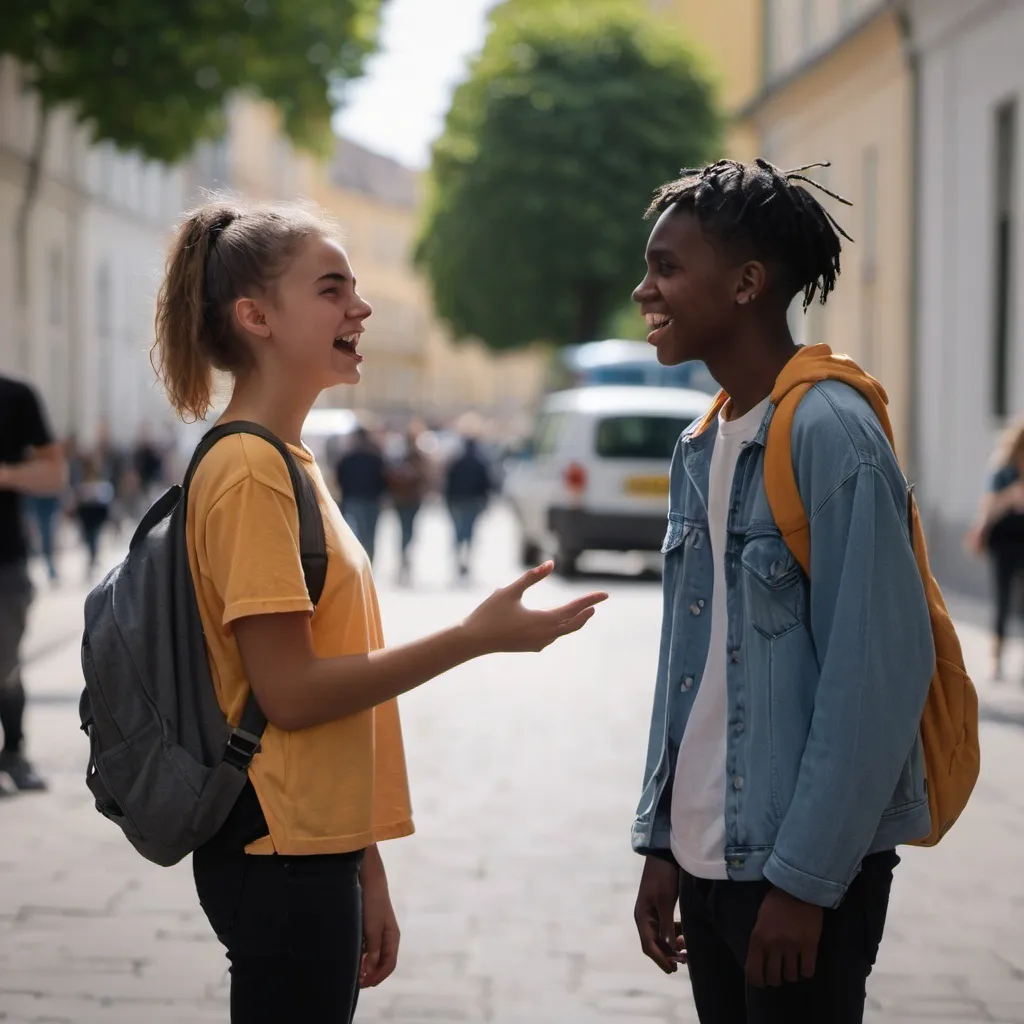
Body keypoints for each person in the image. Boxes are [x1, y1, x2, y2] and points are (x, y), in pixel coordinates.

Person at [150, 199, 607, 1023]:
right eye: (331, 289)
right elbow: (288, 693)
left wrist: (365, 864)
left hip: (307, 845)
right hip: (277, 850)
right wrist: (472, 639)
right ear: (255, 317)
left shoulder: (286, 456)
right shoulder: (252, 469)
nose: (359, 307)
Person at [629, 159, 934, 1024]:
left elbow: (875, 683)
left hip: (797, 875)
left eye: (667, 267)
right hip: (705, 860)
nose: (643, 288)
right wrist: (662, 843)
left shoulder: (832, 434)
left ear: (747, 285)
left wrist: (805, 882)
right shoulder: (702, 440)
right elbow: (687, 674)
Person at [0, 375, 66, 795]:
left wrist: (4, 474)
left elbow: (54, 473)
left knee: (4, 664)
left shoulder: (15, 396)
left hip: (4, 560)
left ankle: (14, 753)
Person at [966, 418, 1024, 679]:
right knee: (1002, 599)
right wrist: (1011, 496)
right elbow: (987, 507)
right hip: (1003, 542)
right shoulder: (1003, 471)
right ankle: (996, 656)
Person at [335, 426, 388, 564]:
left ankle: (360, 563)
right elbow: (384, 479)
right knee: (369, 534)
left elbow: (340, 478)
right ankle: (367, 563)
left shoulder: (348, 457)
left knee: (356, 533)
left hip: (355, 499)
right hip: (369, 499)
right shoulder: (375, 456)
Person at [445, 436, 494, 581]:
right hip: (471, 501)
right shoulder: (480, 462)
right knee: (469, 531)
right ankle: (464, 559)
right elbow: (487, 484)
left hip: (458, 500)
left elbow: (448, 482)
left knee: (459, 531)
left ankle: (460, 559)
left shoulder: (457, 461)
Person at [387, 427, 430, 586]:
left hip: (404, 499)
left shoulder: (399, 456)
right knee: (408, 529)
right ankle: (404, 557)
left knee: (404, 529)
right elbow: (426, 477)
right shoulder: (415, 456)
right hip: (410, 499)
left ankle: (404, 557)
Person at [72, 455, 116, 578]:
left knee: (94, 537)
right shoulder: (81, 480)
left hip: (96, 514)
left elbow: (106, 497)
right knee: (88, 538)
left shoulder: (100, 480)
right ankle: (91, 558)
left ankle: (93, 558)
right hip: (86, 514)